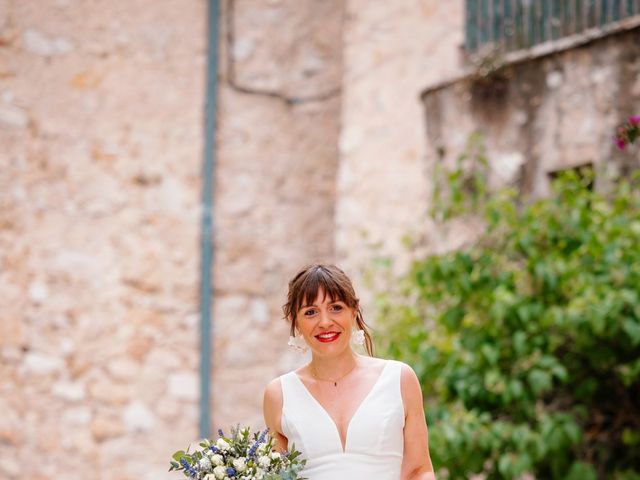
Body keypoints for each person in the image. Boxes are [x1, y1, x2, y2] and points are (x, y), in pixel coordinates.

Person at [263, 264, 436, 480]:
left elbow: (420, 470)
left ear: (354, 311)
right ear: (294, 321)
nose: (325, 322)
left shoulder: (400, 379)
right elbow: (277, 475)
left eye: (335, 307)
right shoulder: (278, 394)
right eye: (311, 312)